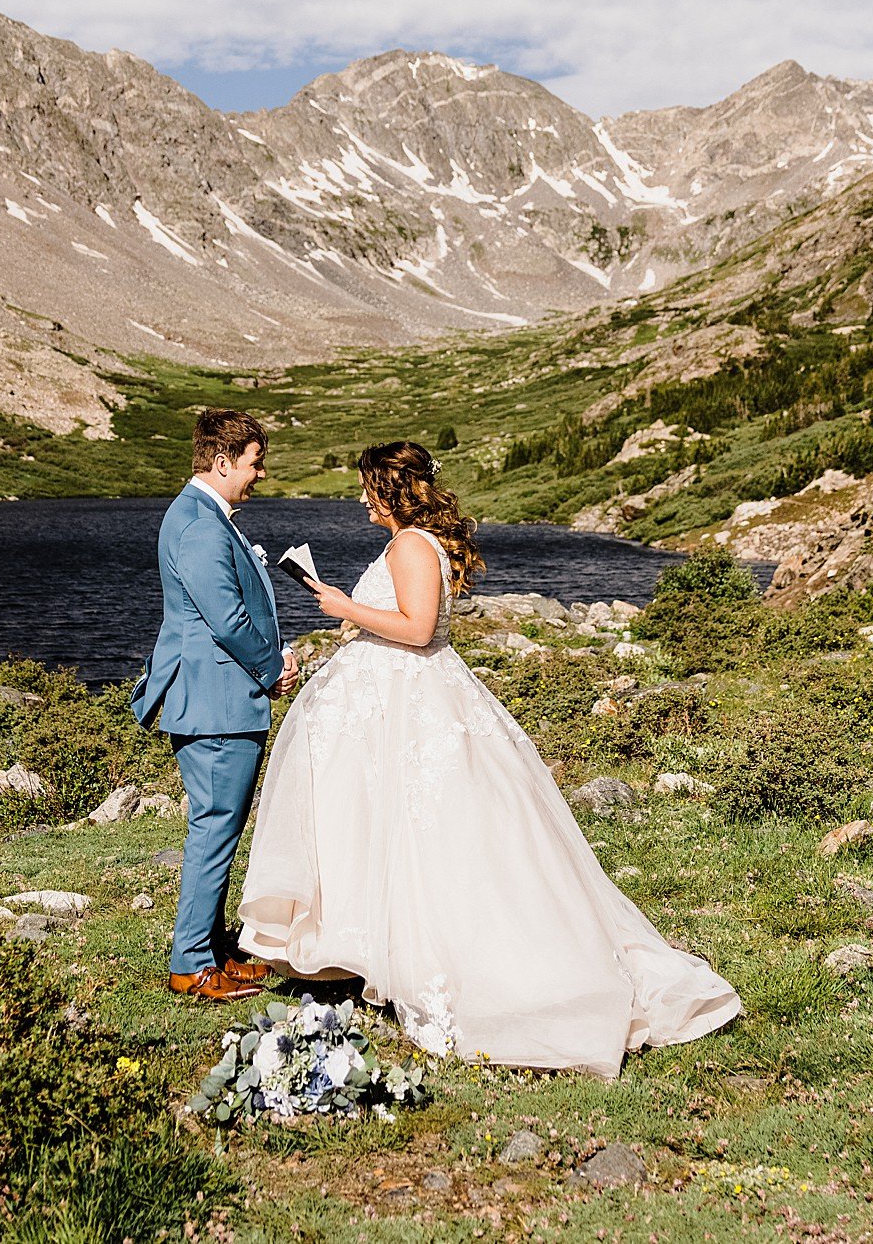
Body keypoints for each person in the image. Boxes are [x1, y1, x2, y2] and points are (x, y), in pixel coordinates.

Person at [237, 439, 740, 1076]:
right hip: (395, 700)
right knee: (383, 829)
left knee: (431, 837)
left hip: (412, 702)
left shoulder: (412, 545)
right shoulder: (413, 544)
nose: (361, 498)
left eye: (369, 487)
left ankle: (457, 965)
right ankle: (371, 951)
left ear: (391, 489)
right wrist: (359, 621)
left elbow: (418, 629)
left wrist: (344, 607)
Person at [133, 407, 299, 1003]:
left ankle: (213, 950)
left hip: (218, 699)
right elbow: (225, 619)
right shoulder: (201, 525)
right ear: (223, 461)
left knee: (222, 828)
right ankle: (192, 964)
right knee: (213, 829)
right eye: (255, 463)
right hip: (216, 704)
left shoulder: (204, 516)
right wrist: (273, 666)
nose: (260, 473)